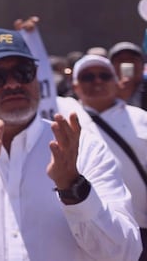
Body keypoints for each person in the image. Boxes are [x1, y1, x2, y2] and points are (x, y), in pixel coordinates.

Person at [0, 28, 141, 260]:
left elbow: (125, 252)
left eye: (23, 72)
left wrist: (74, 188)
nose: (12, 84)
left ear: (36, 76)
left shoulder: (81, 148)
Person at [59, 54, 147, 259]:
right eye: (87, 77)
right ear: (75, 86)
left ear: (116, 81)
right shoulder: (65, 122)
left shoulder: (142, 119)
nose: (97, 81)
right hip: (96, 230)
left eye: (104, 76)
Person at [108, 41, 147, 108]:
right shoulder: (103, 91)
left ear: (142, 65)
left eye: (133, 59)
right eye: (120, 60)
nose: (127, 64)